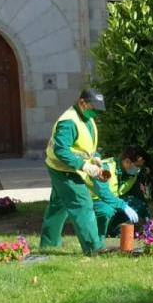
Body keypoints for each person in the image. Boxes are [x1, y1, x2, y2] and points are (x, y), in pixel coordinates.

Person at [40, 89, 107, 255]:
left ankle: (48, 245)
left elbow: (84, 146)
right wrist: (84, 166)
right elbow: (61, 151)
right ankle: (94, 248)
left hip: (67, 167)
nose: (96, 112)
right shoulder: (68, 122)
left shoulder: (86, 117)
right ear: (82, 102)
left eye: (98, 110)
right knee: (82, 204)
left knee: (58, 205)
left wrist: (95, 158)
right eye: (93, 108)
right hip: (63, 170)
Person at [82, 154, 139, 238]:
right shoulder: (106, 167)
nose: (138, 169)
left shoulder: (131, 175)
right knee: (106, 210)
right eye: (137, 166)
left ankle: (112, 231)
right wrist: (123, 205)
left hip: (110, 200)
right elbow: (103, 193)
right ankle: (98, 237)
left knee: (137, 206)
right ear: (127, 161)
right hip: (93, 199)